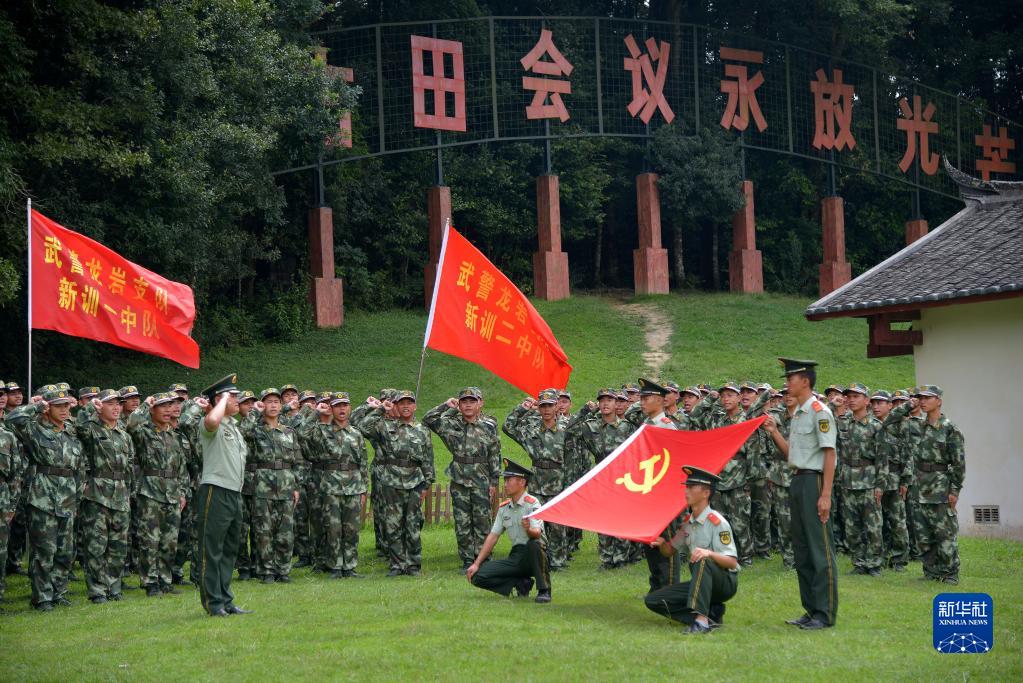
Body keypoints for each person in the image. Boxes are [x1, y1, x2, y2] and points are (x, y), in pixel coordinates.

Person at [763, 358, 838, 630]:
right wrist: (774, 432)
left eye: (790, 378)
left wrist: (825, 494)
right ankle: (811, 609)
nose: (787, 383)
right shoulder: (798, 413)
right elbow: (792, 454)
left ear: (805, 381)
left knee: (820, 549)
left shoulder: (820, 412)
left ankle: (824, 613)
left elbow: (830, 453)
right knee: (803, 550)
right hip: (797, 480)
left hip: (814, 482)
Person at [6, 386, 86, 611]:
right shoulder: (34, 429)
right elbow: (12, 419)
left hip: (68, 497)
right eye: (58, 406)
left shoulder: (71, 431)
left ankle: (59, 593)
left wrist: (78, 495)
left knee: (64, 551)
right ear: (47, 408)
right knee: (44, 551)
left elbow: (78, 466)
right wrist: (36, 406)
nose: (64, 410)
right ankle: (42, 597)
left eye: (66, 405)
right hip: (43, 498)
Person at [645, 466, 739, 634]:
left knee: (703, 559)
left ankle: (701, 622)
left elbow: (732, 562)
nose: (686, 491)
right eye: (686, 487)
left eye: (691, 487)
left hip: (724, 583)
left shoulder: (717, 523)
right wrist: (662, 543)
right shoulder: (688, 523)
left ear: (706, 493)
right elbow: (669, 551)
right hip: (700, 582)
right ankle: (712, 615)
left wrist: (709, 553)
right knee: (653, 600)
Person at [354, 390, 434, 576]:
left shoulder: (422, 430)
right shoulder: (384, 426)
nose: (405, 406)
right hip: (391, 480)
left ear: (415, 406)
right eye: (401, 403)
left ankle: (413, 565)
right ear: (395, 406)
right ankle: (397, 564)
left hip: (415, 481)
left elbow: (428, 458)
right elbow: (362, 426)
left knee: (413, 524)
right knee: (393, 524)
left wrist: (428, 482)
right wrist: (381, 409)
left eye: (409, 403)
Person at [423, 387, 501, 573]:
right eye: (464, 401)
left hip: (482, 478)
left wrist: (494, 482)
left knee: (483, 521)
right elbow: (428, 419)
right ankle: (467, 560)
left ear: (480, 403)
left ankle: (484, 559)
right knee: (462, 521)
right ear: (459, 405)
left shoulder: (489, 426)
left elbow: (494, 454)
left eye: (472, 401)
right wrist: (446, 406)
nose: (468, 405)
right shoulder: (450, 424)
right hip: (459, 479)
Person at [195, 374, 251, 617]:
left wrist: (225, 399)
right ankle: (213, 602)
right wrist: (221, 400)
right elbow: (211, 421)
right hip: (216, 491)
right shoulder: (210, 423)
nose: (237, 400)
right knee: (212, 549)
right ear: (219, 399)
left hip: (234, 493)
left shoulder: (233, 427)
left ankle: (226, 600)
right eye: (232, 396)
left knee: (229, 549)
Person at [126, 392, 189, 596]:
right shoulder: (144, 432)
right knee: (149, 540)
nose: (168, 410)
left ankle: (165, 579)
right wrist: (145, 404)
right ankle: (150, 581)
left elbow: (181, 468)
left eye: (170, 406)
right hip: (150, 492)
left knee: (169, 541)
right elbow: (131, 423)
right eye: (162, 406)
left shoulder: (174, 435)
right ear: (153, 410)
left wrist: (182, 492)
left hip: (173, 493)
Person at [75, 389, 135, 603]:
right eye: (110, 404)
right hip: (97, 494)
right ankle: (97, 590)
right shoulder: (91, 428)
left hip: (120, 494)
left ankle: (114, 587)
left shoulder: (124, 435)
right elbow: (79, 426)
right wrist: (90, 408)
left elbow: (130, 466)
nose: (116, 407)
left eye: (118, 403)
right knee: (96, 545)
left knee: (118, 545)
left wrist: (129, 492)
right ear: (100, 407)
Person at [566, 388, 636, 569]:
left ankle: (621, 557)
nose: (605, 403)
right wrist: (585, 411)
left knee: (621, 517)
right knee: (603, 517)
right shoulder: (591, 426)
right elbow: (569, 430)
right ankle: (606, 558)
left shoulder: (627, 427)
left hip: (622, 476)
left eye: (609, 400)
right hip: (601, 476)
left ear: (616, 403)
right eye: (602, 400)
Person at [300, 391, 368, 578]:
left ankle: (350, 566)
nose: (342, 409)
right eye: (337, 406)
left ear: (350, 408)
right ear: (331, 408)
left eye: (344, 405)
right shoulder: (322, 430)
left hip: (354, 485)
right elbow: (302, 433)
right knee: (333, 528)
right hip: (331, 485)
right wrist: (316, 412)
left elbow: (363, 462)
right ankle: (335, 566)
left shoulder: (356, 433)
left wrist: (364, 488)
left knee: (351, 529)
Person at [466, 458, 551, 603]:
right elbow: (493, 536)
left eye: (508, 480)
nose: (505, 485)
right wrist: (477, 563)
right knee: (476, 576)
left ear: (522, 482)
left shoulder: (533, 504)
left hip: (535, 555)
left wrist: (528, 529)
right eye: (504, 481)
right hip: (516, 556)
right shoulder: (504, 508)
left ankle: (544, 590)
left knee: (534, 545)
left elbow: (537, 534)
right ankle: (520, 583)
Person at [503, 389, 569, 571]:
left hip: (558, 480)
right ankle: (541, 559)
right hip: (537, 482)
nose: (546, 409)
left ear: (557, 406)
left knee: (557, 525)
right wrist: (523, 408)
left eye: (550, 405)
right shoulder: (530, 430)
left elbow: (573, 456)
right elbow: (508, 426)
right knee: (536, 523)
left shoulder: (566, 428)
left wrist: (569, 482)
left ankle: (558, 562)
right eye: (543, 406)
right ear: (538, 408)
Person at [241, 388, 302, 583]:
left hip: (286, 484)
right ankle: (266, 571)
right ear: (262, 405)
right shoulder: (256, 430)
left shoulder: (289, 432)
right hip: (263, 485)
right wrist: (254, 411)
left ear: (281, 405)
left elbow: (298, 461)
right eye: (268, 402)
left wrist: (296, 486)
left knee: (286, 531)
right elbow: (243, 431)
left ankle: (282, 570)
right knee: (263, 530)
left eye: (276, 401)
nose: (273, 405)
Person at [907, 385, 965, 584]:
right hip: (919, 486)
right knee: (923, 533)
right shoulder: (918, 427)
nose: (922, 401)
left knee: (944, 532)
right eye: (920, 398)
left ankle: (950, 573)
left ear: (939, 401)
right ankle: (931, 572)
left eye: (927, 398)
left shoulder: (950, 429)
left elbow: (958, 463)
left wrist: (954, 490)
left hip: (940, 487)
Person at [836, 383, 884, 577]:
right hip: (848, 480)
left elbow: (882, 459)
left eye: (856, 396)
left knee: (873, 526)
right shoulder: (843, 423)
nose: (851, 400)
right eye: (849, 396)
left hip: (869, 480)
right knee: (852, 526)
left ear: (866, 401)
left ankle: (874, 564)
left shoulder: (876, 426)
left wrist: (880, 485)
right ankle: (859, 562)